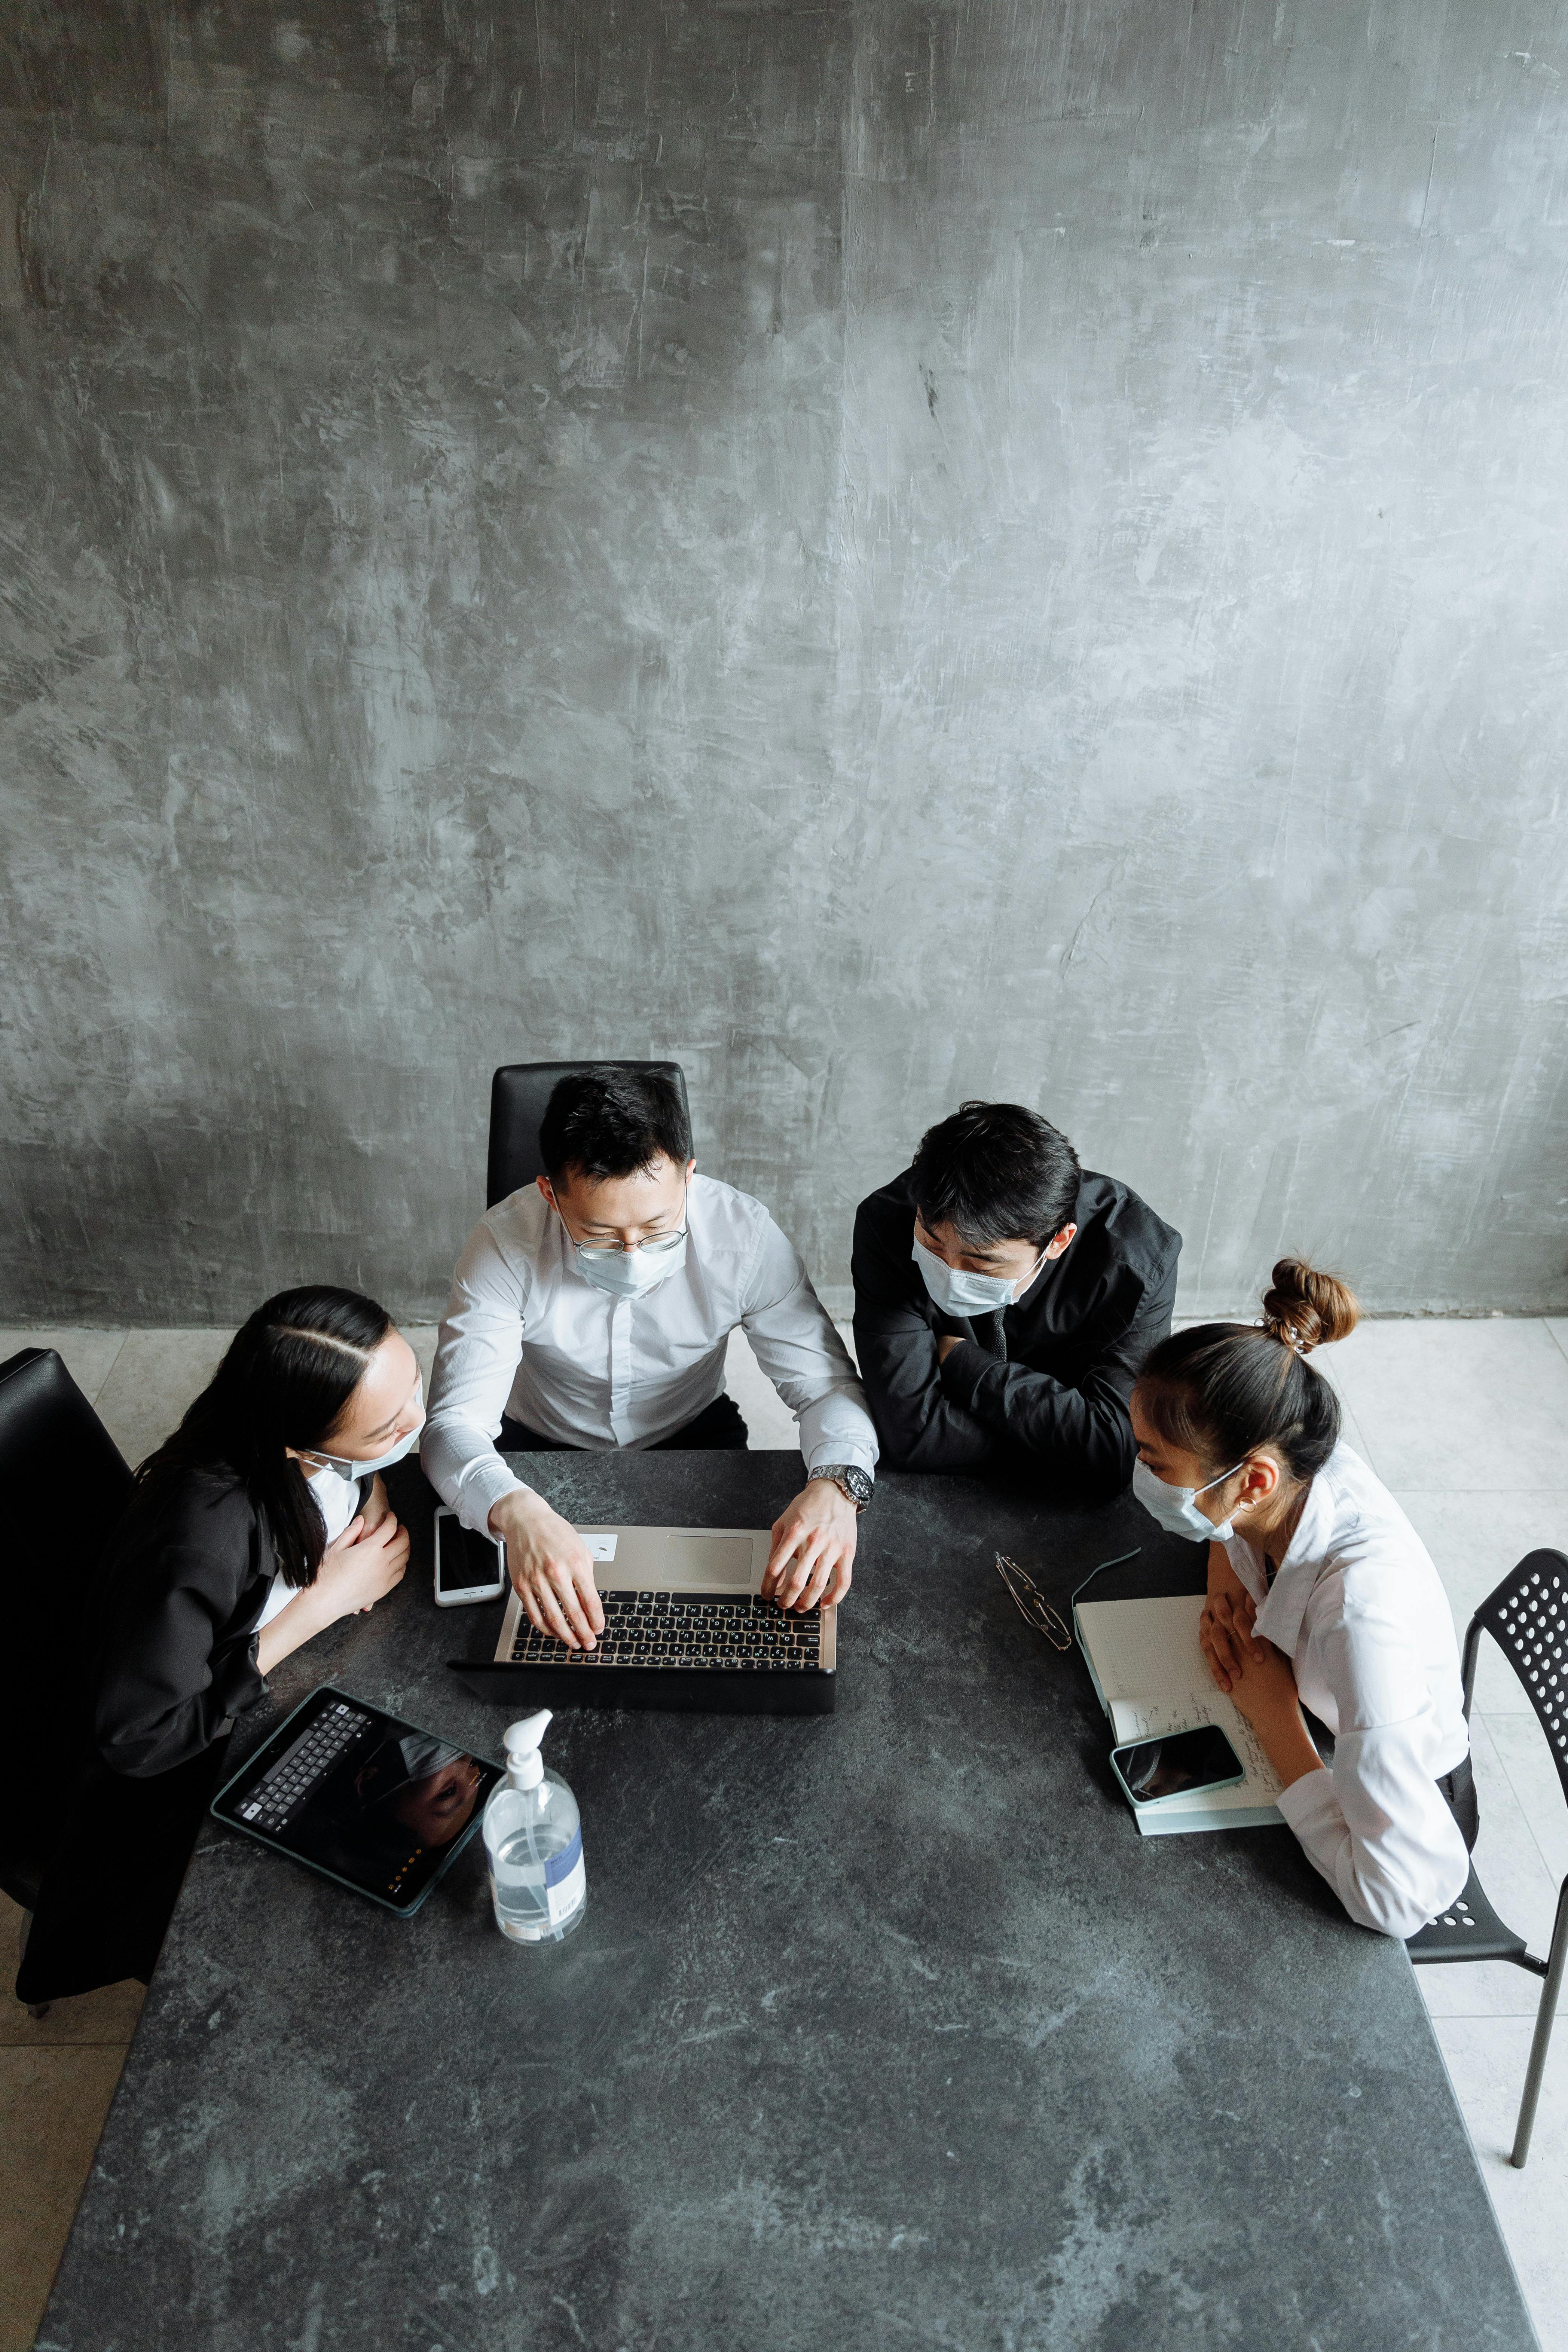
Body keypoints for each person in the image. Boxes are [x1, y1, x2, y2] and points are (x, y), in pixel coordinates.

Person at [17, 1286, 421, 2000]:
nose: (416, 1422)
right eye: (387, 1429)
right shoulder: (200, 1531)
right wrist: (319, 1605)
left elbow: (351, 1471)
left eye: (413, 1387)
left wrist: (371, 1492)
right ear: (299, 1440)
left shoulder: (273, 1433)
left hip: (251, 1675)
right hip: (161, 1788)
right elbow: (142, 1739)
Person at [422, 1066, 878, 1651]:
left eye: (658, 1227)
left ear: (688, 1177)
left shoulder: (745, 1236)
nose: (633, 1255)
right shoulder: (502, 1244)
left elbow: (824, 1387)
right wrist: (513, 1510)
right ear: (549, 1194)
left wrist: (838, 1485)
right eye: (600, 1233)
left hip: (691, 1430)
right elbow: (451, 1425)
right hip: (536, 1441)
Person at [1130, 1259, 1472, 1940]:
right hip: (1333, 1720)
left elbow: (1397, 1900)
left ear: (1251, 1479)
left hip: (1404, 1801)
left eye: (1155, 1462)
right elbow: (1228, 1516)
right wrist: (1226, 1572)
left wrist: (1272, 1716)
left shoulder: (1359, 1618)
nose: (1138, 1472)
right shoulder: (1291, 1449)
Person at [851, 1101, 1180, 1496]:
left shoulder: (1137, 1263)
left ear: (1059, 1241)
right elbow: (911, 1434)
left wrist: (965, 1363)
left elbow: (1116, 1448)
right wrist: (1069, 1440)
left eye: (982, 1264)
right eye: (933, 1246)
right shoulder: (887, 1221)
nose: (951, 1274)